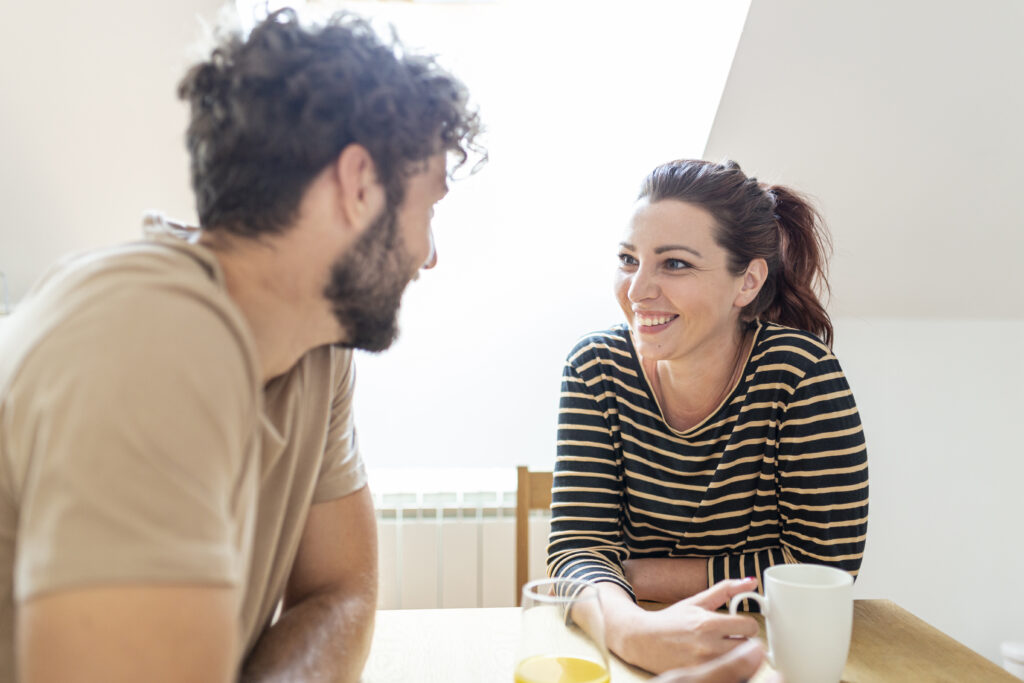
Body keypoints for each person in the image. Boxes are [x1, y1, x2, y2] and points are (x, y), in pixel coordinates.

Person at [0, 9, 480, 682]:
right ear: (358, 185)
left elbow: (340, 590)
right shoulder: (148, 343)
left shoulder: (316, 341)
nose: (429, 256)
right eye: (427, 209)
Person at [548, 158, 869, 674]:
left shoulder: (801, 375)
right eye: (628, 259)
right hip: (630, 639)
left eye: (674, 264)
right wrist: (634, 632)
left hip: (768, 650)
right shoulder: (596, 368)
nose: (637, 290)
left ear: (747, 283)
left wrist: (634, 573)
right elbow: (577, 551)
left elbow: (822, 570)